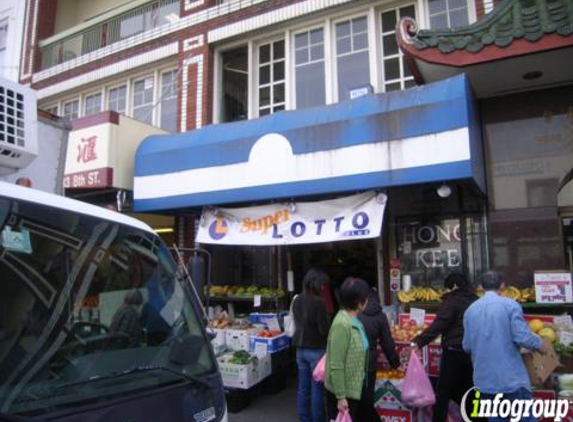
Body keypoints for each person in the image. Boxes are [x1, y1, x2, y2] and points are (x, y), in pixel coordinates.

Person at [463, 271, 550, 422]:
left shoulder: (470, 311)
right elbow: (522, 337)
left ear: (480, 287)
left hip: (485, 380)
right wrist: (541, 344)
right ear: (502, 286)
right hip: (512, 379)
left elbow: (467, 346)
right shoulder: (511, 306)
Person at [411, 272, 478, 422]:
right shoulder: (476, 300)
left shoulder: (452, 300)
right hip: (473, 352)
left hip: (454, 350)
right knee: (470, 389)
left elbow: (439, 325)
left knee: (443, 391)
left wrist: (419, 341)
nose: (445, 291)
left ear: (453, 286)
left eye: (447, 288)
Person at [324, 277, 371, 421]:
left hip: (356, 387)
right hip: (344, 394)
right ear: (358, 302)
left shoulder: (355, 321)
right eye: (366, 297)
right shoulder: (341, 325)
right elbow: (336, 364)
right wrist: (341, 397)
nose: (368, 300)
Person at [292, 268, 332, 422]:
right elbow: (323, 329)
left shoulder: (297, 300)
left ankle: (304, 418)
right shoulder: (319, 302)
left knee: (303, 388)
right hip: (315, 349)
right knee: (317, 388)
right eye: (321, 284)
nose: (323, 287)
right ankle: (318, 419)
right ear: (315, 283)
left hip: (300, 349)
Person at [358, 288, 400, 422]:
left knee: (355, 397)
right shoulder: (380, 316)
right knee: (367, 397)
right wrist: (395, 364)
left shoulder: (355, 314)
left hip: (353, 362)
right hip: (369, 363)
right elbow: (387, 342)